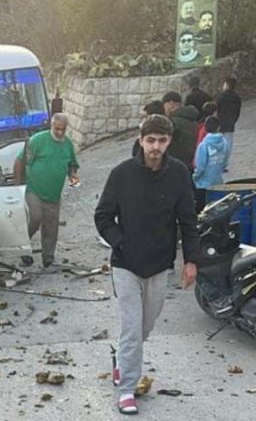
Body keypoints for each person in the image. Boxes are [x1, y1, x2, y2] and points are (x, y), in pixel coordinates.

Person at [94, 114, 199, 415]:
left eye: (161, 141)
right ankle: (127, 389)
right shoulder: (121, 174)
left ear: (169, 142)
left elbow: (188, 219)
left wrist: (191, 260)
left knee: (145, 326)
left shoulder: (179, 173)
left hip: (159, 265)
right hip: (126, 264)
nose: (155, 147)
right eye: (150, 140)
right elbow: (103, 216)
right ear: (141, 140)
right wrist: (121, 241)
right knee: (131, 328)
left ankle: (121, 360)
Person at [14, 113, 80, 272]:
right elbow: (19, 161)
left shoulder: (68, 144)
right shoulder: (37, 141)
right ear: (51, 126)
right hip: (34, 189)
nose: (60, 133)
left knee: (51, 226)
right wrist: (18, 186)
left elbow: (72, 164)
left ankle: (48, 259)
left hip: (53, 194)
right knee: (35, 217)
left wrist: (72, 175)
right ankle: (23, 248)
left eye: (63, 129)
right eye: (57, 129)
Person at [193, 116, 230, 213]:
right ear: (218, 127)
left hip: (203, 184)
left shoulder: (203, 145)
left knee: (202, 211)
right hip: (218, 182)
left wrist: (195, 177)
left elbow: (200, 167)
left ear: (205, 128)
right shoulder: (224, 142)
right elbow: (225, 163)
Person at [163, 91, 199, 172]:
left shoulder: (171, 122)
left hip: (172, 166)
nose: (164, 109)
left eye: (164, 105)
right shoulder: (193, 121)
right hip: (188, 164)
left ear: (171, 103)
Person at [216, 77, 241, 161]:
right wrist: (233, 120)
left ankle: (219, 160)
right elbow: (237, 112)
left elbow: (217, 109)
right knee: (228, 143)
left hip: (220, 123)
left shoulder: (220, 97)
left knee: (218, 143)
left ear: (226, 85)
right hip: (230, 124)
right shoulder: (237, 98)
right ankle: (225, 161)